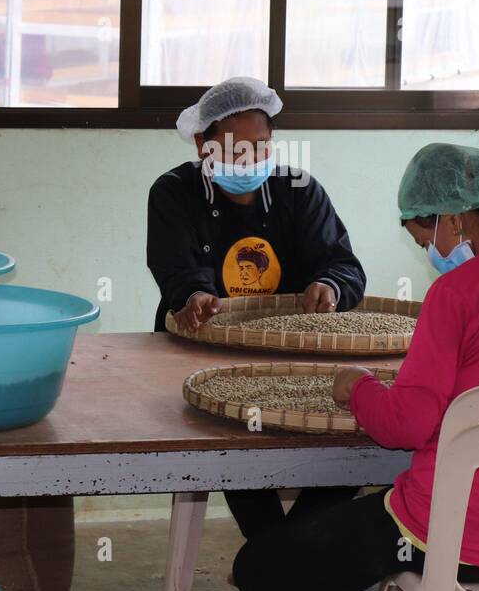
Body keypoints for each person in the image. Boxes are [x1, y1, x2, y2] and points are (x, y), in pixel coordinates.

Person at [231, 142, 479, 591]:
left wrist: (356, 387)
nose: (431, 254)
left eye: (427, 239)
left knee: (256, 566)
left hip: (449, 531)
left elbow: (405, 428)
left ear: (454, 218)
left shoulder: (456, 293)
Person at [147, 76, 367, 540]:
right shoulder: (173, 192)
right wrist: (194, 299)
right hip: (202, 349)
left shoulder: (299, 190)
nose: (250, 159)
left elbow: (343, 265)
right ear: (203, 144)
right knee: (223, 434)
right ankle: (278, 556)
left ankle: (278, 558)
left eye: (262, 145)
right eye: (233, 148)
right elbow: (176, 270)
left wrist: (329, 286)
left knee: (355, 436)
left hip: (288, 349)